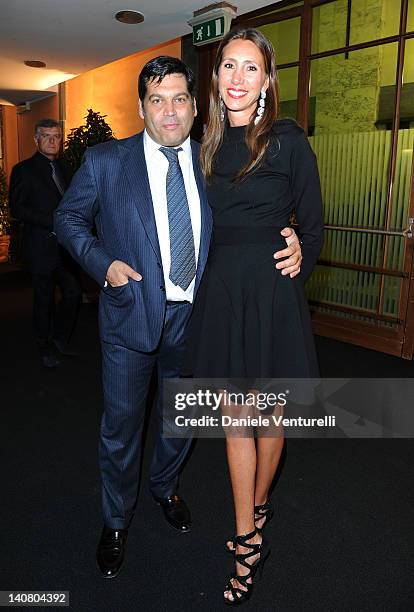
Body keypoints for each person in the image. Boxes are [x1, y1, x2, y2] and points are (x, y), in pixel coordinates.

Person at [54, 55, 303, 579]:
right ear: (142, 108)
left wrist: (292, 234)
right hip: (130, 317)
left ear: (195, 106)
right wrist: (104, 266)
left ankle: (165, 487)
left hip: (198, 318)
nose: (170, 111)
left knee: (181, 421)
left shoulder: (213, 160)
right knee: (122, 428)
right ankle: (116, 520)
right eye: (157, 100)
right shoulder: (105, 162)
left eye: (180, 98)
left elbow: (254, 211)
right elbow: (68, 218)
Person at [184, 29, 324, 605]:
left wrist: (299, 253)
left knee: (272, 418)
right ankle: (246, 536)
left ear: (267, 81)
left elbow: (313, 226)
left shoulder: (288, 141)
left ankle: (261, 501)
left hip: (271, 293)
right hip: (223, 291)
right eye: (227, 67)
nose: (236, 78)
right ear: (216, 79)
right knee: (236, 417)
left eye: (249, 68)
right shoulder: (206, 146)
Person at [9, 119, 81, 368]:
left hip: (66, 248)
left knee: (72, 294)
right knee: (44, 299)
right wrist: (54, 221)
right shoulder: (23, 170)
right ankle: (44, 346)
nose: (53, 141)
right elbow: (17, 209)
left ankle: (60, 339)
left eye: (57, 136)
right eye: (47, 136)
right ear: (36, 140)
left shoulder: (66, 168)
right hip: (40, 246)